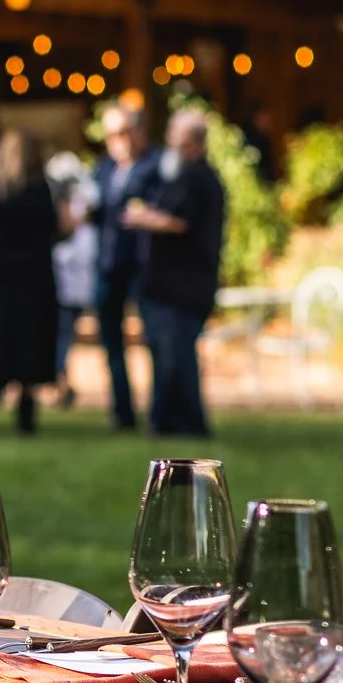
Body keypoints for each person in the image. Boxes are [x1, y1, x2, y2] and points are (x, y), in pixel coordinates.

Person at [0, 127, 69, 434]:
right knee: (30, 340)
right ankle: (26, 411)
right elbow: (66, 225)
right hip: (35, 275)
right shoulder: (48, 188)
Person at [125, 108, 227, 437]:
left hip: (182, 286)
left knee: (176, 358)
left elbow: (181, 221)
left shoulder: (197, 178)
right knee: (168, 356)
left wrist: (143, 219)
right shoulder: (182, 176)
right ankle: (166, 420)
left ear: (189, 140)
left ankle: (184, 424)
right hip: (169, 285)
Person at [90, 104, 161, 430]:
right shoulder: (104, 169)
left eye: (120, 132)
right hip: (108, 265)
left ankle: (159, 411)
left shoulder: (155, 166)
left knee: (153, 339)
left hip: (142, 266)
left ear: (137, 131)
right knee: (111, 342)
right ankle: (122, 411)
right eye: (109, 134)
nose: (114, 140)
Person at [48, 148, 98, 408]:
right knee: (61, 337)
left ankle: (61, 381)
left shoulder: (80, 208)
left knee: (63, 337)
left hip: (74, 287)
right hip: (65, 286)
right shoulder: (64, 208)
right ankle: (60, 382)